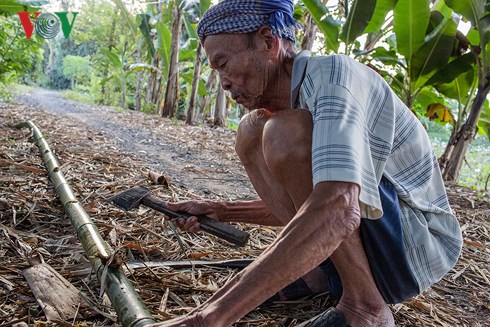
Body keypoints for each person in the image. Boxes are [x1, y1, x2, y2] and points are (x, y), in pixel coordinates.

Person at [155, 1, 463, 326]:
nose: (224, 82)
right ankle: (318, 274)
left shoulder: (332, 77)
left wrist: (206, 318)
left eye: (224, 63)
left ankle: (365, 308)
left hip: (415, 248)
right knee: (251, 130)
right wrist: (223, 210)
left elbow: (339, 208)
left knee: (281, 132)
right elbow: (309, 205)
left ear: (267, 42)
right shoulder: (297, 101)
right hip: (376, 239)